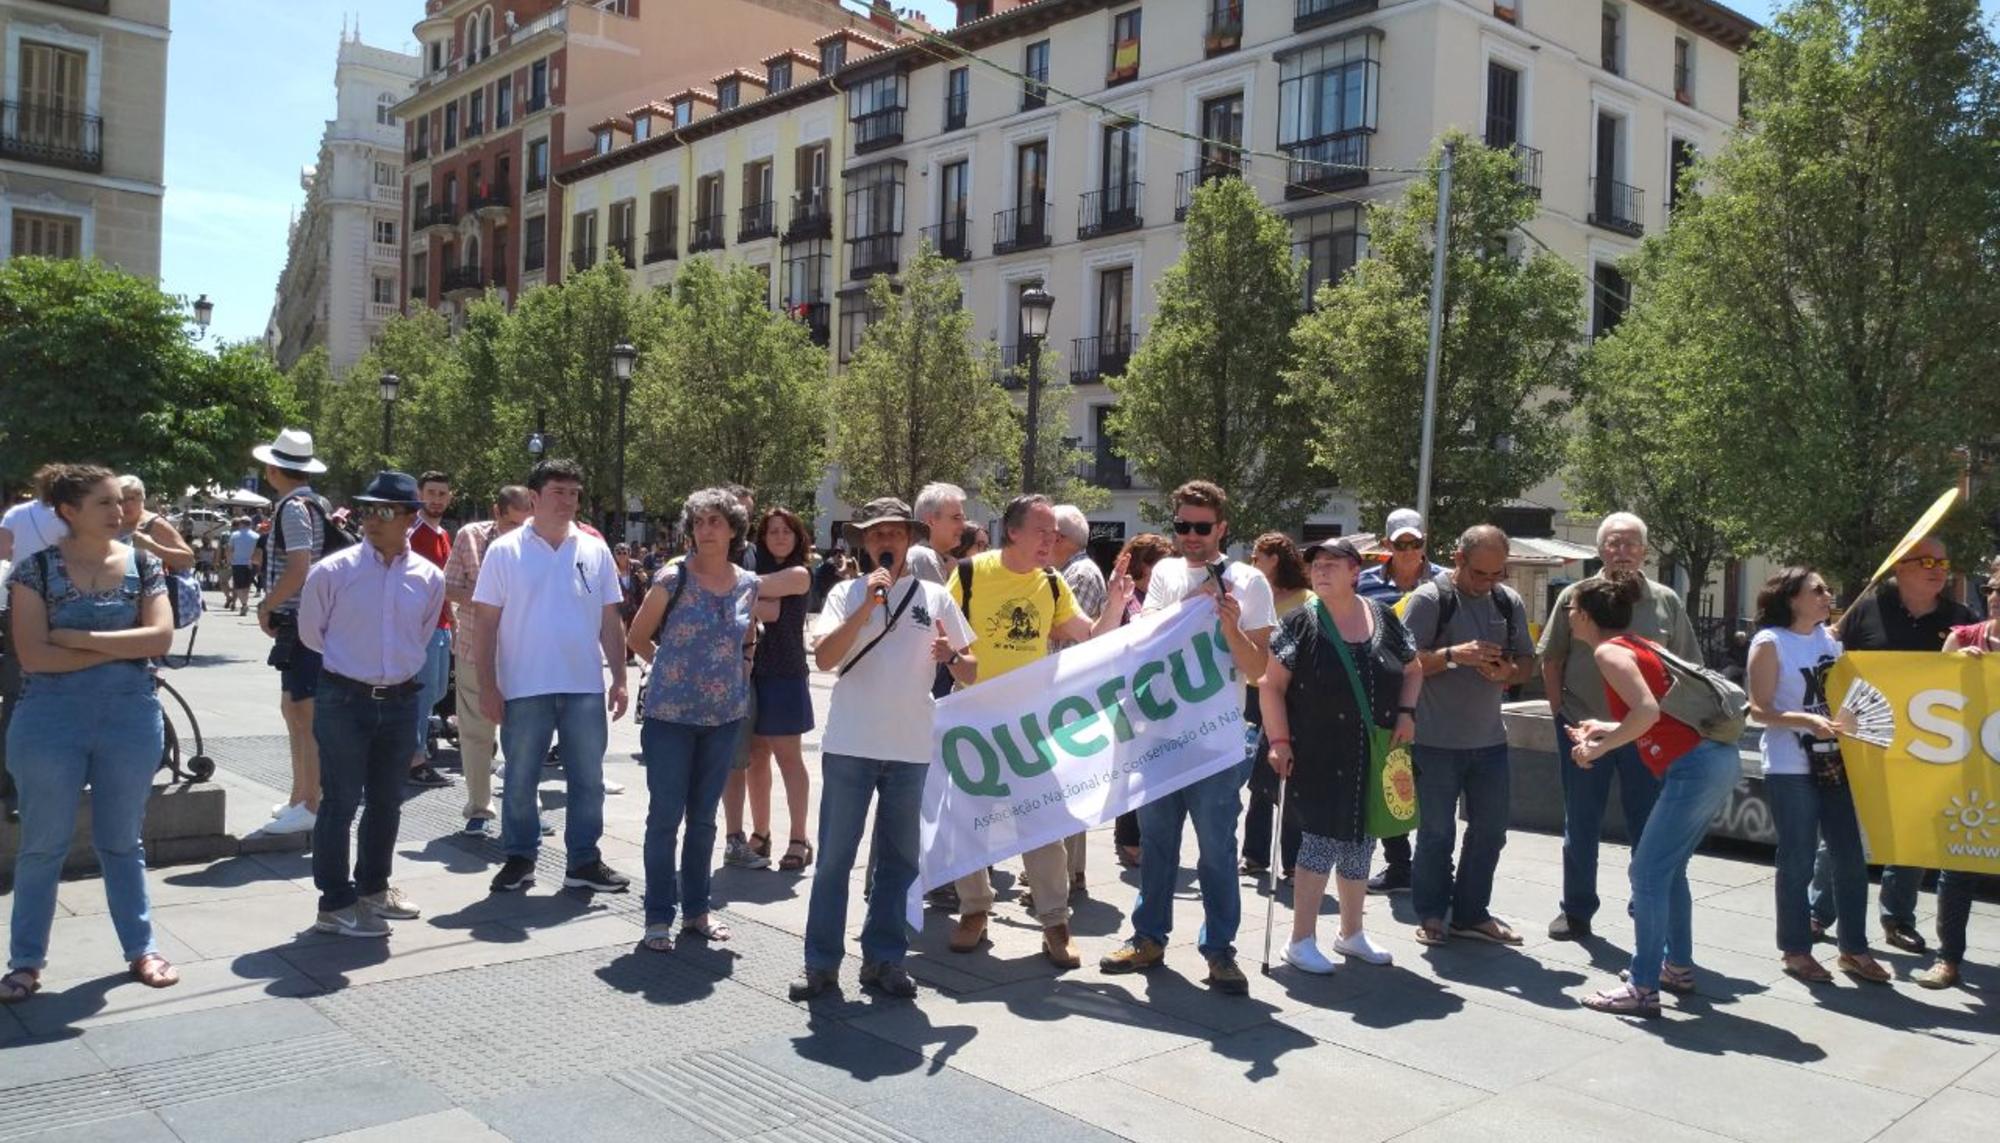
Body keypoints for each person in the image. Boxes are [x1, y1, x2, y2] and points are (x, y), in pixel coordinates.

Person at [2, 464, 177, 1003]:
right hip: (50, 720)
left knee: (123, 842)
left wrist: (77, 637)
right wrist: (118, 646)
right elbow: (34, 656)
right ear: (69, 512)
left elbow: (161, 639)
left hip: (129, 717)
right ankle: (26, 961)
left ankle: (140, 948)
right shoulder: (33, 571)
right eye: (105, 503)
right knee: (42, 846)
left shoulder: (144, 565)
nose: (120, 511)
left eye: (120, 502)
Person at [791, 497, 978, 999]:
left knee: (899, 863)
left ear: (910, 539)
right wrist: (866, 608)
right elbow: (827, 658)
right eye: (876, 535)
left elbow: (971, 668)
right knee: (834, 859)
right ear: (865, 544)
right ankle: (821, 964)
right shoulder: (845, 594)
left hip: (910, 750)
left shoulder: (936, 597)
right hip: (851, 746)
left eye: (894, 533)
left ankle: (885, 959)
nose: (885, 542)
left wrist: (951, 657)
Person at [1099, 480, 1272, 995]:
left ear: (1222, 527)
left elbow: (1258, 669)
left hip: (1217, 739)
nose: (1191, 536)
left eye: (1201, 527)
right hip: (1159, 735)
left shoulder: (1249, 581)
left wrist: (1231, 625)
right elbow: (1145, 642)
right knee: (1157, 844)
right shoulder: (1169, 574)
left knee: (1218, 850)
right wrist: (1189, 605)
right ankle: (1148, 936)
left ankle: (1219, 950)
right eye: (1182, 526)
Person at [950, 494, 1131, 968]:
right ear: (1013, 532)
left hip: (1031, 726)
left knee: (1043, 824)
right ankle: (974, 910)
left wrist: (1115, 604)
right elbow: (944, 640)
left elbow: (1091, 638)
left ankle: (1055, 922)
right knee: (971, 819)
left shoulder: (1052, 584)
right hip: (974, 721)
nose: (1051, 541)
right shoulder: (970, 574)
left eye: (1055, 534)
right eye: (1042, 532)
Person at [1560, 570, 1747, 1016]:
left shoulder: (1608, 652)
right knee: (1669, 871)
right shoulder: (1643, 644)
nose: (1567, 615)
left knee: (1645, 875)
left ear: (1584, 615)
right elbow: (1661, 714)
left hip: (1693, 769)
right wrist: (1606, 728)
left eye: (1570, 609)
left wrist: (1598, 748)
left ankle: (1643, 988)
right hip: (1715, 760)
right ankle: (1676, 968)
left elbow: (1644, 711)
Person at [1538, 512, 1701, 941]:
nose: (1622, 551)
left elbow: (1689, 667)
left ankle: (1643, 902)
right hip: (1583, 728)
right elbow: (1551, 658)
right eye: (1613, 543)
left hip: (1647, 732)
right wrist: (1560, 714)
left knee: (1647, 822)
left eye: (1630, 544)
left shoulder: (1665, 601)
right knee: (1581, 822)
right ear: (1600, 549)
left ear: (1645, 552)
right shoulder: (1575, 596)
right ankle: (1576, 911)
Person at [296, 472, 446, 938]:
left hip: (400, 699)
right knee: (340, 800)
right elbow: (310, 634)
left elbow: (420, 636)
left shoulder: (429, 577)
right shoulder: (333, 572)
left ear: (408, 518)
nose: (372, 520)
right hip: (343, 696)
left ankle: (373, 887)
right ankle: (334, 903)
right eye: (367, 510)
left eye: (385, 511)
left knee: (387, 800)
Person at [1259, 538, 1420, 972]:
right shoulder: (1300, 622)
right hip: (1316, 750)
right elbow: (1270, 686)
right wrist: (1279, 742)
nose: (1321, 571)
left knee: (1361, 842)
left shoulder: (1383, 616)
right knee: (1319, 842)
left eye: (1332, 564)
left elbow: (1412, 666)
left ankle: (1351, 933)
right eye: (1316, 565)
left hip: (1373, 749)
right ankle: (1300, 939)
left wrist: (1406, 713)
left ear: (1355, 572)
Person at [473, 458, 631, 896]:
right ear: (535, 498)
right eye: (559, 492)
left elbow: (609, 618)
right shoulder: (505, 551)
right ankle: (520, 857)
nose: (568, 501)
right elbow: (485, 622)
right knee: (520, 777)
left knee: (588, 779)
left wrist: (619, 677)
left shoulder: (595, 549)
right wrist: (488, 685)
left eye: (574, 493)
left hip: (583, 684)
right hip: (524, 685)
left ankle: (583, 860)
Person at [1815, 535, 1973, 953]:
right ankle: (1818, 911)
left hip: (1926, 747)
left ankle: (1897, 918)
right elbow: (1830, 663)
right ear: (1900, 567)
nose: (1939, 569)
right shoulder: (1866, 610)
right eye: (1926, 561)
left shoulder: (1960, 617)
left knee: (1913, 833)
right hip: (1862, 741)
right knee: (1843, 828)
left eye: (1943, 561)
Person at [626, 488, 761, 951]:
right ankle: (658, 917)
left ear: (733, 529)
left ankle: (698, 911)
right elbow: (638, 636)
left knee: (704, 819)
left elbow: (748, 638)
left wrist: (740, 671)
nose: (706, 530)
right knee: (665, 817)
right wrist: (668, 667)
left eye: (716, 522)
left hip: (723, 717)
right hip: (670, 715)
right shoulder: (672, 577)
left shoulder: (747, 582)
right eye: (699, 522)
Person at [1747, 567, 1891, 984]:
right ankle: (1795, 950)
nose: (1827, 595)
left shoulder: (1831, 640)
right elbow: (1758, 710)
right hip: (1791, 765)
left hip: (1837, 762)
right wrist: (1806, 721)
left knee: (1849, 856)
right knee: (1797, 859)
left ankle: (1854, 949)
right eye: (1817, 590)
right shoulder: (1770, 643)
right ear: (1791, 598)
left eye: (1828, 589)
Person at [1404, 524, 1536, 947]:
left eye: (1499, 574)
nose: (1490, 582)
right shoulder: (1430, 599)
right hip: (1433, 741)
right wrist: (1451, 656)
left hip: (1489, 742)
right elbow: (1401, 663)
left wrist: (1507, 673)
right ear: (1459, 559)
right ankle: (1431, 912)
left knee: (1491, 831)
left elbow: (1526, 665)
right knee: (1436, 833)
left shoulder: (1506, 601)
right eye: (1481, 574)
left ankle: (1471, 913)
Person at [1357, 507, 1448, 895]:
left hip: (1440, 699)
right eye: (1401, 544)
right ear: (1386, 545)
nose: (1410, 551)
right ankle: (1400, 864)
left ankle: (1438, 866)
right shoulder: (1364, 584)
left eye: (1417, 543)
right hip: (1384, 698)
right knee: (1389, 777)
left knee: (1436, 786)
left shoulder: (1447, 582)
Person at [723, 507, 816, 873]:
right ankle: (760, 834)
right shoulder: (755, 573)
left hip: (785, 673)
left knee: (788, 757)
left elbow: (765, 605)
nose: (779, 537)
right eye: (772, 531)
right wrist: (750, 599)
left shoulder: (799, 573)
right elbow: (755, 600)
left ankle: (799, 837)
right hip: (750, 673)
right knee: (755, 757)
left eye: (786, 531)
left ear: (798, 537)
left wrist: (738, 593)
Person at [254, 429, 334, 837]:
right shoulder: (315, 502)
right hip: (311, 620)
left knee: (302, 712)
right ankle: (299, 796)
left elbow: (299, 565)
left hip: (302, 620)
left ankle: (308, 802)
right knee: (296, 709)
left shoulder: (291, 508)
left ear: (272, 468)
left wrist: (267, 603)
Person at [1924, 561, 2000, 989]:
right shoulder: (1963, 637)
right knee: (1957, 869)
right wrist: (1955, 666)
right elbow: (1929, 698)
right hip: (1969, 776)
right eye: (1991, 587)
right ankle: (1947, 958)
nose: (1994, 595)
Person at [442, 486, 532, 836]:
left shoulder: (538, 543)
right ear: (497, 512)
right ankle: (479, 807)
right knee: (476, 732)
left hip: (525, 652)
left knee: (525, 732)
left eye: (527, 524)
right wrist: (486, 599)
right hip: (473, 649)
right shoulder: (470, 536)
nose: (520, 532)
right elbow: (448, 586)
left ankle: (523, 805)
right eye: (513, 523)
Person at [1242, 532, 1312, 879]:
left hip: (1289, 694)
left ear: (1276, 559)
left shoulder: (1306, 599)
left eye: (1258, 557)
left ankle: (1294, 861)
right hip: (1254, 691)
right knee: (1257, 778)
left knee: (1288, 776)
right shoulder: (1254, 595)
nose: (1253, 563)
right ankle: (1254, 854)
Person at [1109, 532, 1174, 867]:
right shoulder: (1127, 596)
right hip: (1128, 696)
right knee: (1132, 768)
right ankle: (1129, 840)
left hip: (1156, 696)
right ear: (1143, 564)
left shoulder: (1156, 595)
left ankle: (1140, 837)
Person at [405, 471, 455, 790]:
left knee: (436, 692)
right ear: (419, 493)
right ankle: (415, 760)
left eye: (442, 493)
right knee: (423, 694)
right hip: (420, 627)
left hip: (441, 625)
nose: (436, 499)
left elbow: (446, 585)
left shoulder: (443, 535)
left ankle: (413, 749)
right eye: (431, 492)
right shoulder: (412, 532)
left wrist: (453, 622)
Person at [115, 476, 195, 574]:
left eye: (131, 498)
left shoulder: (154, 524)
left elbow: (189, 560)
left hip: (151, 587)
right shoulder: (111, 523)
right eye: (121, 500)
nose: (126, 504)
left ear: (142, 498)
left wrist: (152, 546)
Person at [905, 481, 969, 585]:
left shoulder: (936, 559)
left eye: (963, 519)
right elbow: (939, 601)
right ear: (930, 521)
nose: (963, 526)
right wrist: (957, 578)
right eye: (956, 518)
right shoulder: (923, 557)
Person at [226, 516, 258, 615]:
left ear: (241, 524)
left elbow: (230, 549)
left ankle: (244, 604)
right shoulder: (256, 536)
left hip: (237, 563)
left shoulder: (235, 535)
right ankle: (245, 603)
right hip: (251, 563)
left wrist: (229, 560)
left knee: (239, 586)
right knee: (247, 585)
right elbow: (258, 551)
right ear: (250, 524)